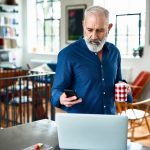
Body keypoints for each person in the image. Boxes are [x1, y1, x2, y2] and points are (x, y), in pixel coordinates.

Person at [51, 5, 132, 114]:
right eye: (89, 30)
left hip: (109, 119)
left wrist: (126, 87)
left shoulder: (115, 52)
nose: (94, 36)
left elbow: (118, 81)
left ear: (109, 28)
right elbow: (56, 91)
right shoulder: (67, 54)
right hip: (81, 123)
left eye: (100, 31)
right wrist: (60, 98)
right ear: (83, 25)